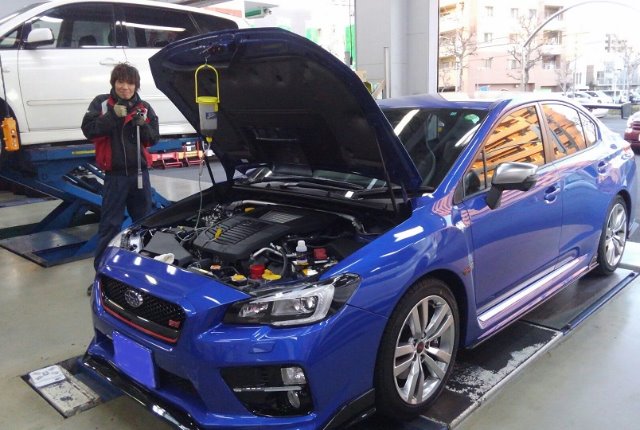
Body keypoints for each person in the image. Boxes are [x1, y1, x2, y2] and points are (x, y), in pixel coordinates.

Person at [81, 63, 159, 290]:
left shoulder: (144, 107)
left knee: (144, 224)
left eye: (130, 83)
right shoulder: (101, 104)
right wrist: (112, 117)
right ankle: (102, 277)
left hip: (139, 175)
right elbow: (89, 130)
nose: (125, 87)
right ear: (114, 83)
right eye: (121, 82)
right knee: (110, 226)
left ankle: (145, 276)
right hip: (115, 177)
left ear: (136, 85)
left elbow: (154, 138)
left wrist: (142, 125)